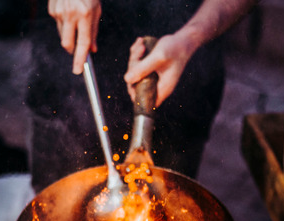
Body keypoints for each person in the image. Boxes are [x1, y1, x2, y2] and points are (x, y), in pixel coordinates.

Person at [26, 0, 255, 193]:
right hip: (71, 68)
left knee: (165, 215)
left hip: (183, 69)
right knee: (57, 215)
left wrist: (191, 37)